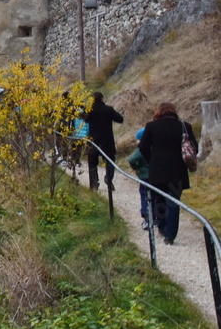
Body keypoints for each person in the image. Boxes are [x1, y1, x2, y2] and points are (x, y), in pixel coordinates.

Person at [138, 102, 198, 245]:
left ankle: (162, 227)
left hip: (157, 170)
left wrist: (151, 159)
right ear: (174, 111)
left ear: (159, 112)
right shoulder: (184, 126)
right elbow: (194, 146)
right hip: (177, 170)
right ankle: (170, 236)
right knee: (173, 202)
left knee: (158, 198)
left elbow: (143, 146)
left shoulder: (151, 126)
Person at [83, 92, 124, 190]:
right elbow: (120, 119)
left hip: (93, 140)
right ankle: (109, 179)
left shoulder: (90, 110)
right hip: (107, 140)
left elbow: (85, 120)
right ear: (102, 99)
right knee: (110, 160)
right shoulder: (108, 110)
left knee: (92, 162)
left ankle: (94, 182)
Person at [126, 128, 151, 229]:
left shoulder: (141, 149)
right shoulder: (154, 147)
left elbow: (132, 159)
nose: (136, 141)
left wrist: (136, 168)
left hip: (144, 176)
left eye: (138, 139)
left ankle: (146, 216)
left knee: (144, 194)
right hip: (154, 175)